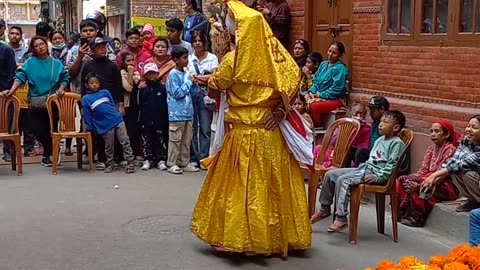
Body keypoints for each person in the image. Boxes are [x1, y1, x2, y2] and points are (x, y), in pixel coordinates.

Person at [190, 0, 311, 256]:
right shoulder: (278, 58)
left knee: (243, 188)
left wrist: (202, 79)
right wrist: (279, 111)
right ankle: (272, 239)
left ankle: (244, 240)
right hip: (270, 133)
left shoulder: (234, 59)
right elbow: (293, 83)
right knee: (271, 188)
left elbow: (218, 84)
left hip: (243, 134)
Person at [311, 111, 406, 232]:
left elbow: (392, 165)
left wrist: (378, 177)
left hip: (374, 174)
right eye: (381, 121)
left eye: (385, 122)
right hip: (364, 169)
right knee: (330, 174)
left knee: (343, 180)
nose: (381, 124)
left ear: (396, 127)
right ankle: (324, 208)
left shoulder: (397, 144)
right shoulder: (380, 139)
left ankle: (341, 217)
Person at [1, 36, 70, 167]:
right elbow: (20, 76)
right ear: (33, 49)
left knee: (52, 128)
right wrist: (12, 90)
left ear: (46, 45)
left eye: (42, 44)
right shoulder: (30, 63)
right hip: (35, 102)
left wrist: (61, 89)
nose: (40, 47)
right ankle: (53, 148)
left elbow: (65, 77)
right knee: (36, 130)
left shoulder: (56, 63)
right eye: (36, 45)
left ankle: (48, 156)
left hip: (53, 102)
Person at [396, 121, 460, 227]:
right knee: (402, 180)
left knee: (422, 188)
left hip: (445, 184)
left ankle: (417, 218)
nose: (433, 134)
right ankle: (401, 212)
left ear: (447, 134)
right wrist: (415, 178)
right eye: (431, 131)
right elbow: (424, 169)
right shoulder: (431, 149)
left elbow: (442, 174)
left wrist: (419, 184)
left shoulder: (451, 150)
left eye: (437, 131)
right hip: (428, 178)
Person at [80, 37, 124, 170]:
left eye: (104, 47)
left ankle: (116, 158)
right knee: (98, 133)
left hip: (110, 104)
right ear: (92, 51)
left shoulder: (112, 65)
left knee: (116, 133)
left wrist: (120, 104)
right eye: (99, 48)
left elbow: (118, 86)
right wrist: (84, 106)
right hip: (94, 106)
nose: (102, 49)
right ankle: (101, 158)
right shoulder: (87, 66)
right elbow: (83, 87)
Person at [422, 115, 480, 212]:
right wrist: (434, 179)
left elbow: (464, 163)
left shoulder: (449, 148)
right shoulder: (466, 141)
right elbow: (454, 161)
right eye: (468, 126)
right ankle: (473, 200)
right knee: (455, 171)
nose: (469, 130)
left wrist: (434, 175)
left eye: (474, 127)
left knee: (468, 174)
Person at [81, 72, 135, 174]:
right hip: (103, 125)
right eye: (92, 83)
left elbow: (111, 104)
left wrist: (116, 114)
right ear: (87, 85)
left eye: (96, 82)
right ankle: (110, 163)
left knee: (125, 141)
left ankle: (130, 162)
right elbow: (87, 115)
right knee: (109, 145)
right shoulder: (86, 99)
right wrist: (89, 128)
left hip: (117, 120)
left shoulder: (105, 92)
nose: (94, 85)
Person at [187, 30, 219, 169]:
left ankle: (204, 157)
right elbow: (188, 77)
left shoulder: (212, 58)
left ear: (205, 42)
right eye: (195, 41)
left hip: (206, 94)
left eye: (200, 41)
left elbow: (214, 77)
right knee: (192, 126)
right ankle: (194, 157)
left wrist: (198, 78)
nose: (197, 43)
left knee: (205, 127)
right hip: (191, 93)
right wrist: (203, 77)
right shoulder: (188, 58)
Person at [165, 46, 198, 174]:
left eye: (187, 57)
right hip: (176, 113)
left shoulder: (186, 73)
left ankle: (184, 162)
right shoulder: (173, 74)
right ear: (176, 60)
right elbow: (177, 93)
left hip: (188, 112)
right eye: (184, 58)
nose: (187, 60)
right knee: (175, 139)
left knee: (186, 139)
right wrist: (189, 82)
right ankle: (172, 162)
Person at [313, 103, 371, 168]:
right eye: (356, 113)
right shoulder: (343, 125)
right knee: (318, 148)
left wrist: (358, 128)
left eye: (362, 114)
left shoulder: (366, 129)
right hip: (337, 153)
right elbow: (334, 143)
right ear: (350, 114)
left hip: (350, 159)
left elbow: (363, 147)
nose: (359, 116)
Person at [8, 26, 35, 158]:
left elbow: (28, 68)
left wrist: (16, 66)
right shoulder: (3, 50)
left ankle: (28, 149)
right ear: (8, 35)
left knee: (27, 121)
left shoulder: (25, 52)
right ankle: (11, 150)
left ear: (21, 36)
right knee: (11, 122)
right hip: (8, 89)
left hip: (25, 89)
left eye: (17, 34)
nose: (14, 36)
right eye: (12, 33)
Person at [307, 41, 348, 127]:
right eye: (329, 51)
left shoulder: (340, 69)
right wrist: (312, 91)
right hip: (318, 95)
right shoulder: (323, 64)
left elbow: (337, 89)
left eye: (334, 53)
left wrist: (320, 95)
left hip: (335, 99)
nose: (330, 54)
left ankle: (317, 126)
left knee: (314, 107)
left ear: (340, 55)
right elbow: (316, 80)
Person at [139, 63, 169, 171]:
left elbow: (165, 104)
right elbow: (140, 105)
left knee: (159, 140)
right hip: (146, 119)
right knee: (147, 140)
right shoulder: (142, 89)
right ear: (145, 75)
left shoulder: (162, 88)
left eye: (153, 73)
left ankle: (160, 159)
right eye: (149, 73)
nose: (151, 75)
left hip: (159, 119)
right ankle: (148, 159)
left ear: (157, 73)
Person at [119, 51, 142, 166]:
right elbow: (129, 88)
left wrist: (133, 74)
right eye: (128, 61)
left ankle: (134, 154)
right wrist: (130, 73)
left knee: (135, 129)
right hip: (126, 104)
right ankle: (123, 156)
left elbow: (138, 81)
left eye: (132, 60)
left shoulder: (136, 72)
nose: (131, 63)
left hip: (135, 104)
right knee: (126, 130)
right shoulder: (122, 73)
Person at [354, 95, 390, 165]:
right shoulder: (375, 124)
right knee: (351, 149)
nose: (370, 113)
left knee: (360, 151)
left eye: (372, 110)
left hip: (379, 158)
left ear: (382, 109)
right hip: (371, 153)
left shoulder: (387, 127)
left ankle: (360, 172)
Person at [0, 42, 16, 162]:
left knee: (6, 124)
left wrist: (9, 90)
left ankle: (7, 151)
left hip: (5, 93)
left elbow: (12, 73)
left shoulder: (6, 50)